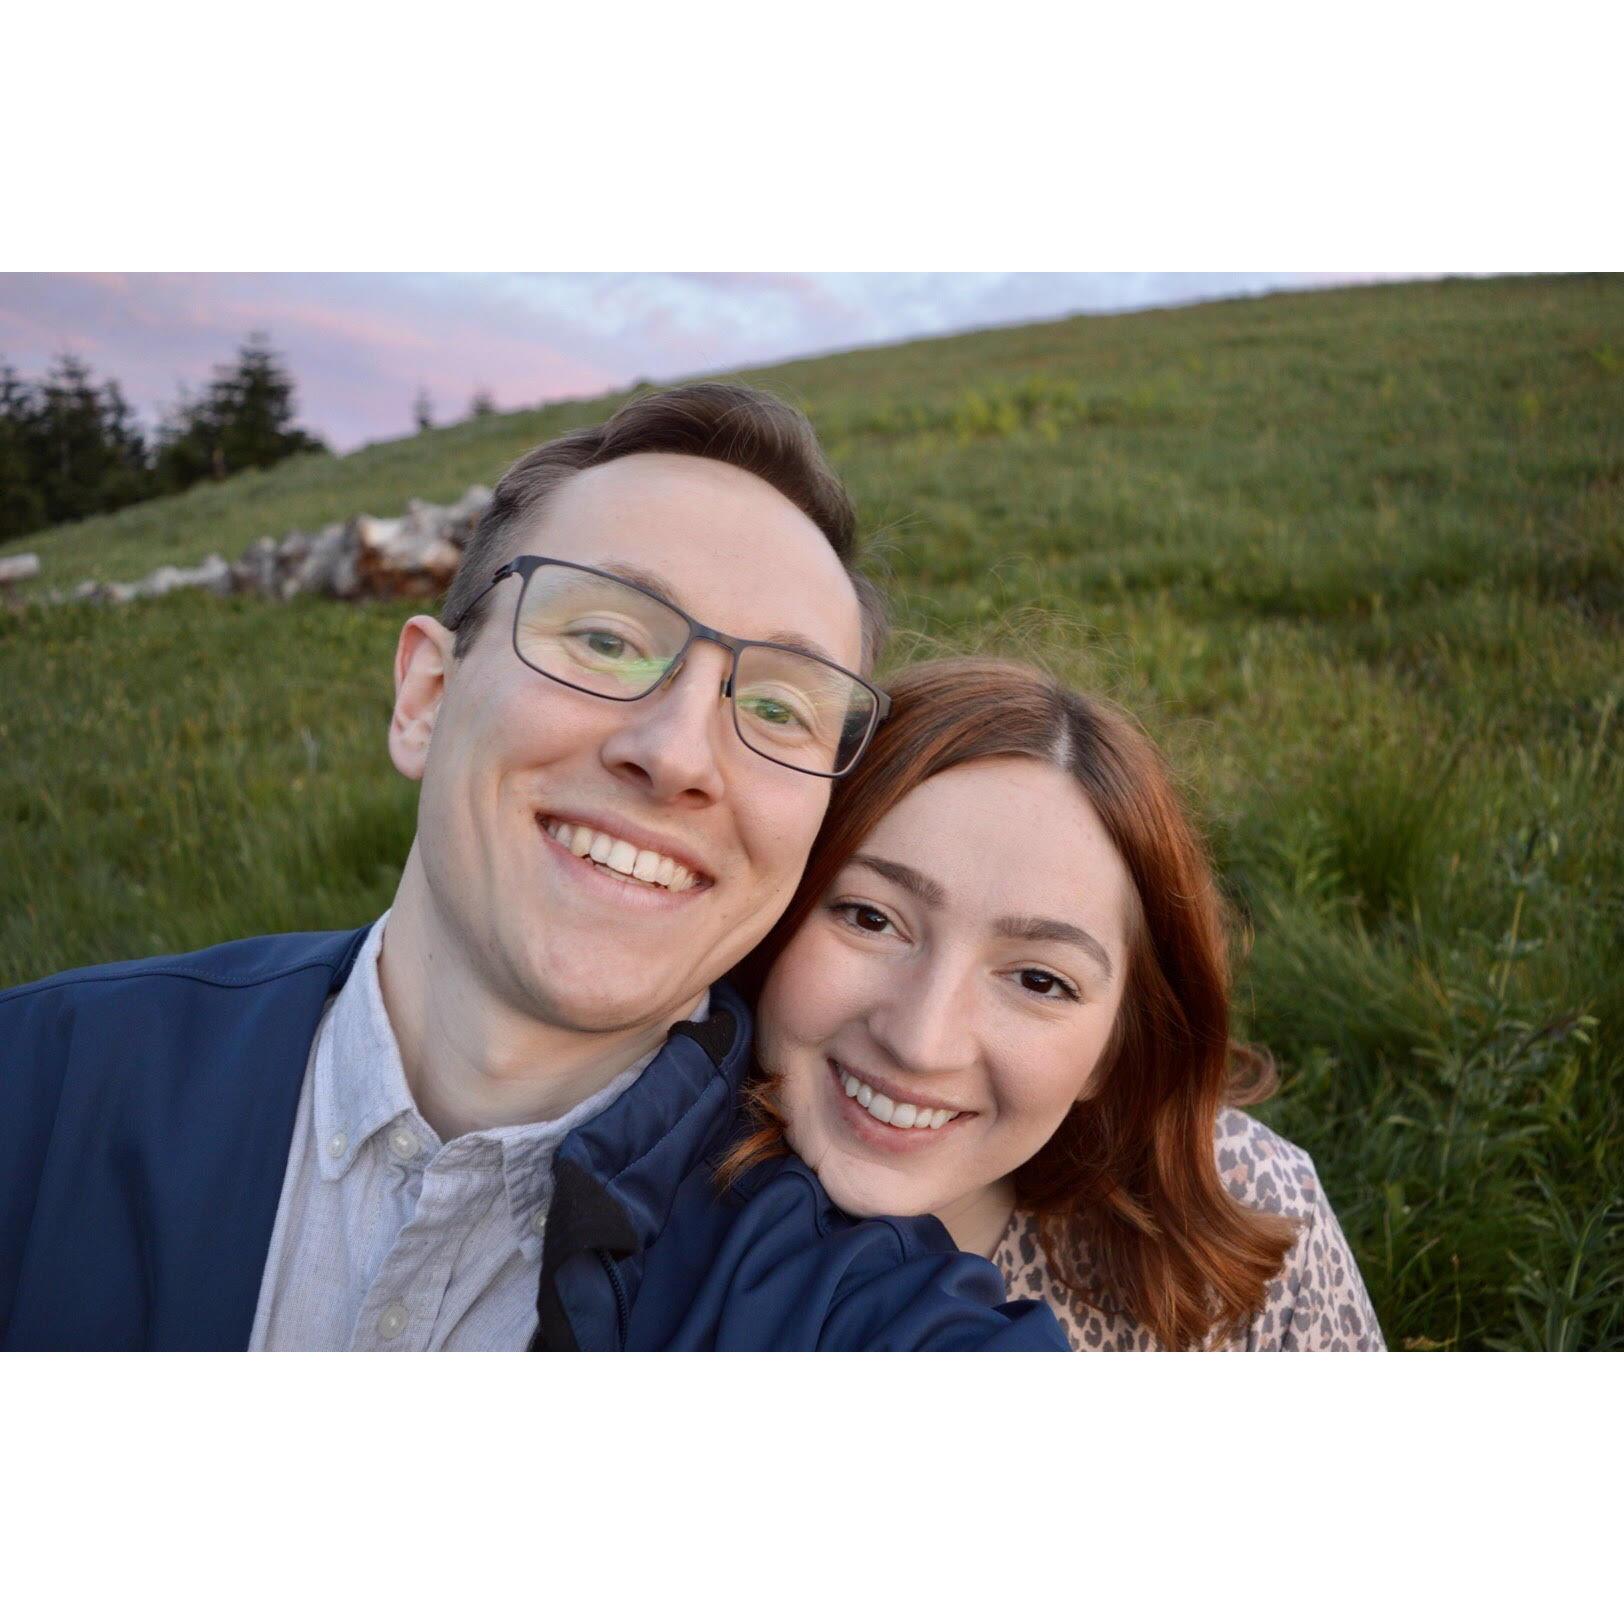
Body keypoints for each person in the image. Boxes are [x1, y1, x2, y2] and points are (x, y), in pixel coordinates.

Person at [0, 386, 1063, 1352]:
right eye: (604, 638)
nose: (679, 754)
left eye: (779, 706)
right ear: (424, 695)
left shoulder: (866, 1321)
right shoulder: (40, 1083)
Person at [726, 657, 1385, 1351]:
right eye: (871, 918)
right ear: (777, 908)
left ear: (1115, 1047)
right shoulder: (622, 1220)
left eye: (1039, 981)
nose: (921, 1041)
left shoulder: (1255, 1214)